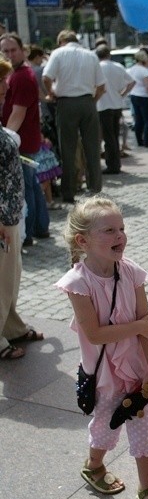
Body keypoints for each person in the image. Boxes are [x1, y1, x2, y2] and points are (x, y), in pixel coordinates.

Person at [55, 195, 148, 499]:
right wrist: (138, 325)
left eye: (121, 228)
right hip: (105, 374)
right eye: (109, 230)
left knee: (143, 427)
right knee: (107, 427)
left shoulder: (132, 272)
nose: (120, 235)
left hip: (136, 368)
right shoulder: (78, 283)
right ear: (83, 240)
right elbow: (94, 334)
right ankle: (94, 465)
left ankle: (146, 489)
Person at [0, 57, 45, 360]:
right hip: (2, 216)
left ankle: (12, 326)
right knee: (1, 279)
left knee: (11, 276)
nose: (5, 88)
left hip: (11, 213)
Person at [42, 30, 106, 203]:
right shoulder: (91, 55)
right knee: (92, 148)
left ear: (62, 41)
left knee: (68, 149)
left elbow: (46, 77)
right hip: (87, 102)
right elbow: (101, 86)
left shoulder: (58, 53)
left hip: (66, 103)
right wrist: (93, 101)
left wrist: (51, 93)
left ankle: (68, 192)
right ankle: (95, 189)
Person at [0, 33, 50, 245]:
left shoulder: (22, 77)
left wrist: (7, 142)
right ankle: (40, 226)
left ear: (23, 50)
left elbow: (17, 114)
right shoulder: (19, 74)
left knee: (24, 187)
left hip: (21, 140)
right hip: (24, 139)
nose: (10, 55)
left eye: (13, 50)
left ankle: (28, 234)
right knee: (31, 184)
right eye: (5, 51)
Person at [95, 44, 134, 175]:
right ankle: (115, 163)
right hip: (117, 104)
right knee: (115, 136)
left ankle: (112, 165)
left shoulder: (98, 68)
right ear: (109, 54)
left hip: (103, 105)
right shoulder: (118, 66)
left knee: (108, 137)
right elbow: (131, 81)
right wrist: (123, 93)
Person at [126, 50, 148, 148]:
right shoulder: (144, 71)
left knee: (138, 120)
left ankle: (139, 141)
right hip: (144, 97)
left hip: (134, 95)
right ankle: (147, 142)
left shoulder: (131, 69)